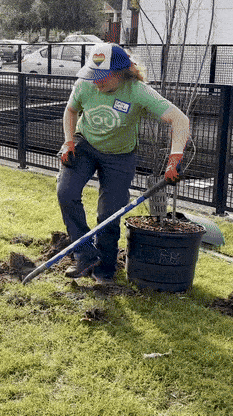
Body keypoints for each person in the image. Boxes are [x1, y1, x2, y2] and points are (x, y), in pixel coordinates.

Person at [57, 43, 190, 284]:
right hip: (85, 145)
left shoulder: (137, 91)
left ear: (119, 73)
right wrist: (68, 142)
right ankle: (85, 254)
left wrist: (175, 157)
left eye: (102, 77)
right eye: (92, 76)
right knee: (66, 193)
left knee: (110, 212)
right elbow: (70, 110)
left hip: (120, 155)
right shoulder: (85, 85)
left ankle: (105, 269)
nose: (96, 82)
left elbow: (179, 119)